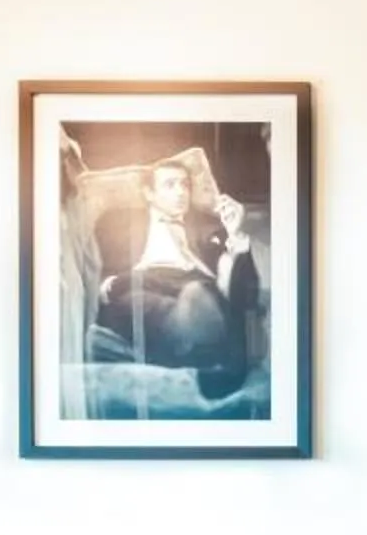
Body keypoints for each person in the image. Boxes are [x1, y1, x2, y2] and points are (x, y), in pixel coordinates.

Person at [95, 156, 258, 399]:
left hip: (198, 283)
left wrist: (237, 235)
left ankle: (189, 336)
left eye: (185, 185)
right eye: (170, 185)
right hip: (142, 281)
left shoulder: (211, 227)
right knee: (140, 302)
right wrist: (114, 284)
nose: (181, 192)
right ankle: (197, 340)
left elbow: (246, 293)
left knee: (201, 295)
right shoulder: (118, 224)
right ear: (149, 193)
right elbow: (103, 278)